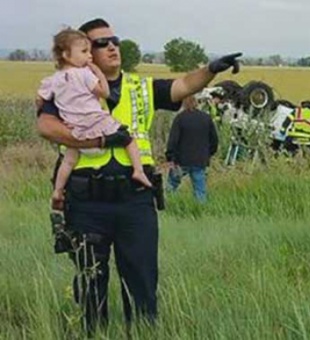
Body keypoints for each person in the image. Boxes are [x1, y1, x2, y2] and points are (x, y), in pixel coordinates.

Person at [35, 18, 241, 332]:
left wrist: (211, 69)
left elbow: (184, 85)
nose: (112, 46)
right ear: (84, 52)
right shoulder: (67, 84)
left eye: (114, 40)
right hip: (87, 201)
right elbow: (46, 127)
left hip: (135, 200)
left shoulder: (141, 87)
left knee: (142, 283)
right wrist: (99, 141)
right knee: (90, 284)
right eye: (101, 43)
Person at [39, 28, 153, 210]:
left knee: (68, 161)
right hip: (96, 124)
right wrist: (98, 72)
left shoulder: (54, 79)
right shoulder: (85, 74)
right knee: (128, 138)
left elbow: (41, 98)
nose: (89, 56)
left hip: (75, 131)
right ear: (67, 55)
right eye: (84, 52)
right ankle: (138, 171)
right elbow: (104, 92)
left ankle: (58, 191)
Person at [165, 95, 219, 203]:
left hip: (181, 160)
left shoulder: (180, 118)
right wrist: (208, 154)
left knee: (171, 185)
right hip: (200, 160)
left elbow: (173, 140)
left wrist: (170, 157)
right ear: (197, 103)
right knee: (200, 190)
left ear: (184, 104)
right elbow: (214, 140)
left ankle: (168, 207)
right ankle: (199, 211)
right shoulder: (206, 118)